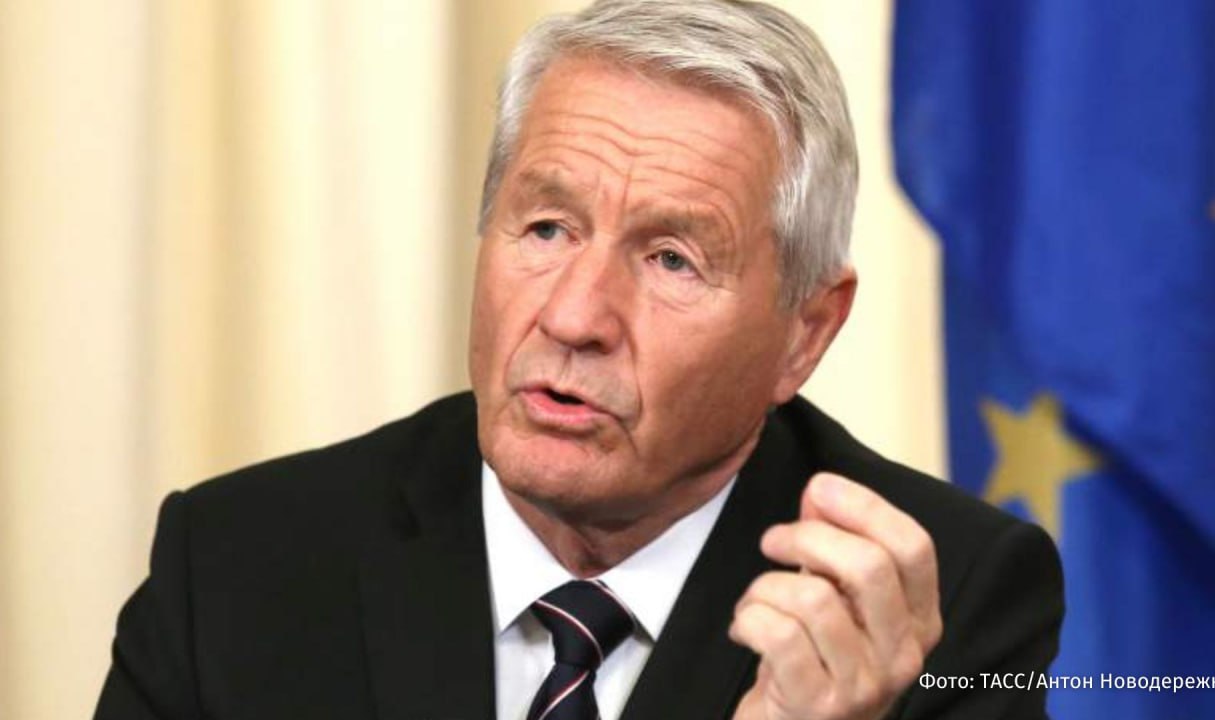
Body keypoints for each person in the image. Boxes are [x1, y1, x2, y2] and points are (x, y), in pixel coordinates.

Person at [95, 1, 1063, 718]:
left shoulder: (932, 615)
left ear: (804, 333)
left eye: (671, 259)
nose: (572, 316)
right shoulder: (236, 565)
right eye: (547, 228)